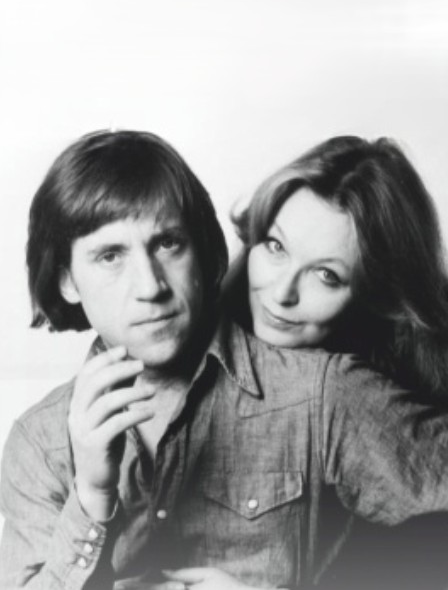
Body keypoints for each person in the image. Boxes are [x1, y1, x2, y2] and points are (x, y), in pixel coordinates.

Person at [2, 130, 448, 590]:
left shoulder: (323, 395)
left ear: (201, 249)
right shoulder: (38, 445)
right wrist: (92, 498)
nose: (150, 286)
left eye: (168, 243)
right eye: (110, 256)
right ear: (67, 281)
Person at [224, 135, 448, 404]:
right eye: (276, 246)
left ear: (378, 297)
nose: (282, 294)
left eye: (326, 275)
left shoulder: (376, 405)